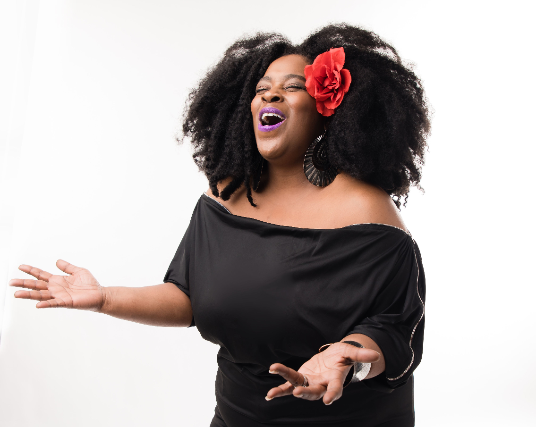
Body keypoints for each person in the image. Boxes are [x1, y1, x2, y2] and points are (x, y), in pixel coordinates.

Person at [10, 24, 429, 427]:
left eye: (292, 87)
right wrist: (104, 298)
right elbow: (189, 297)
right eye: (262, 89)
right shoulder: (224, 198)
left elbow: (395, 329)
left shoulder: (366, 211)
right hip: (238, 416)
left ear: (327, 109)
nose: (271, 95)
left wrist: (349, 358)